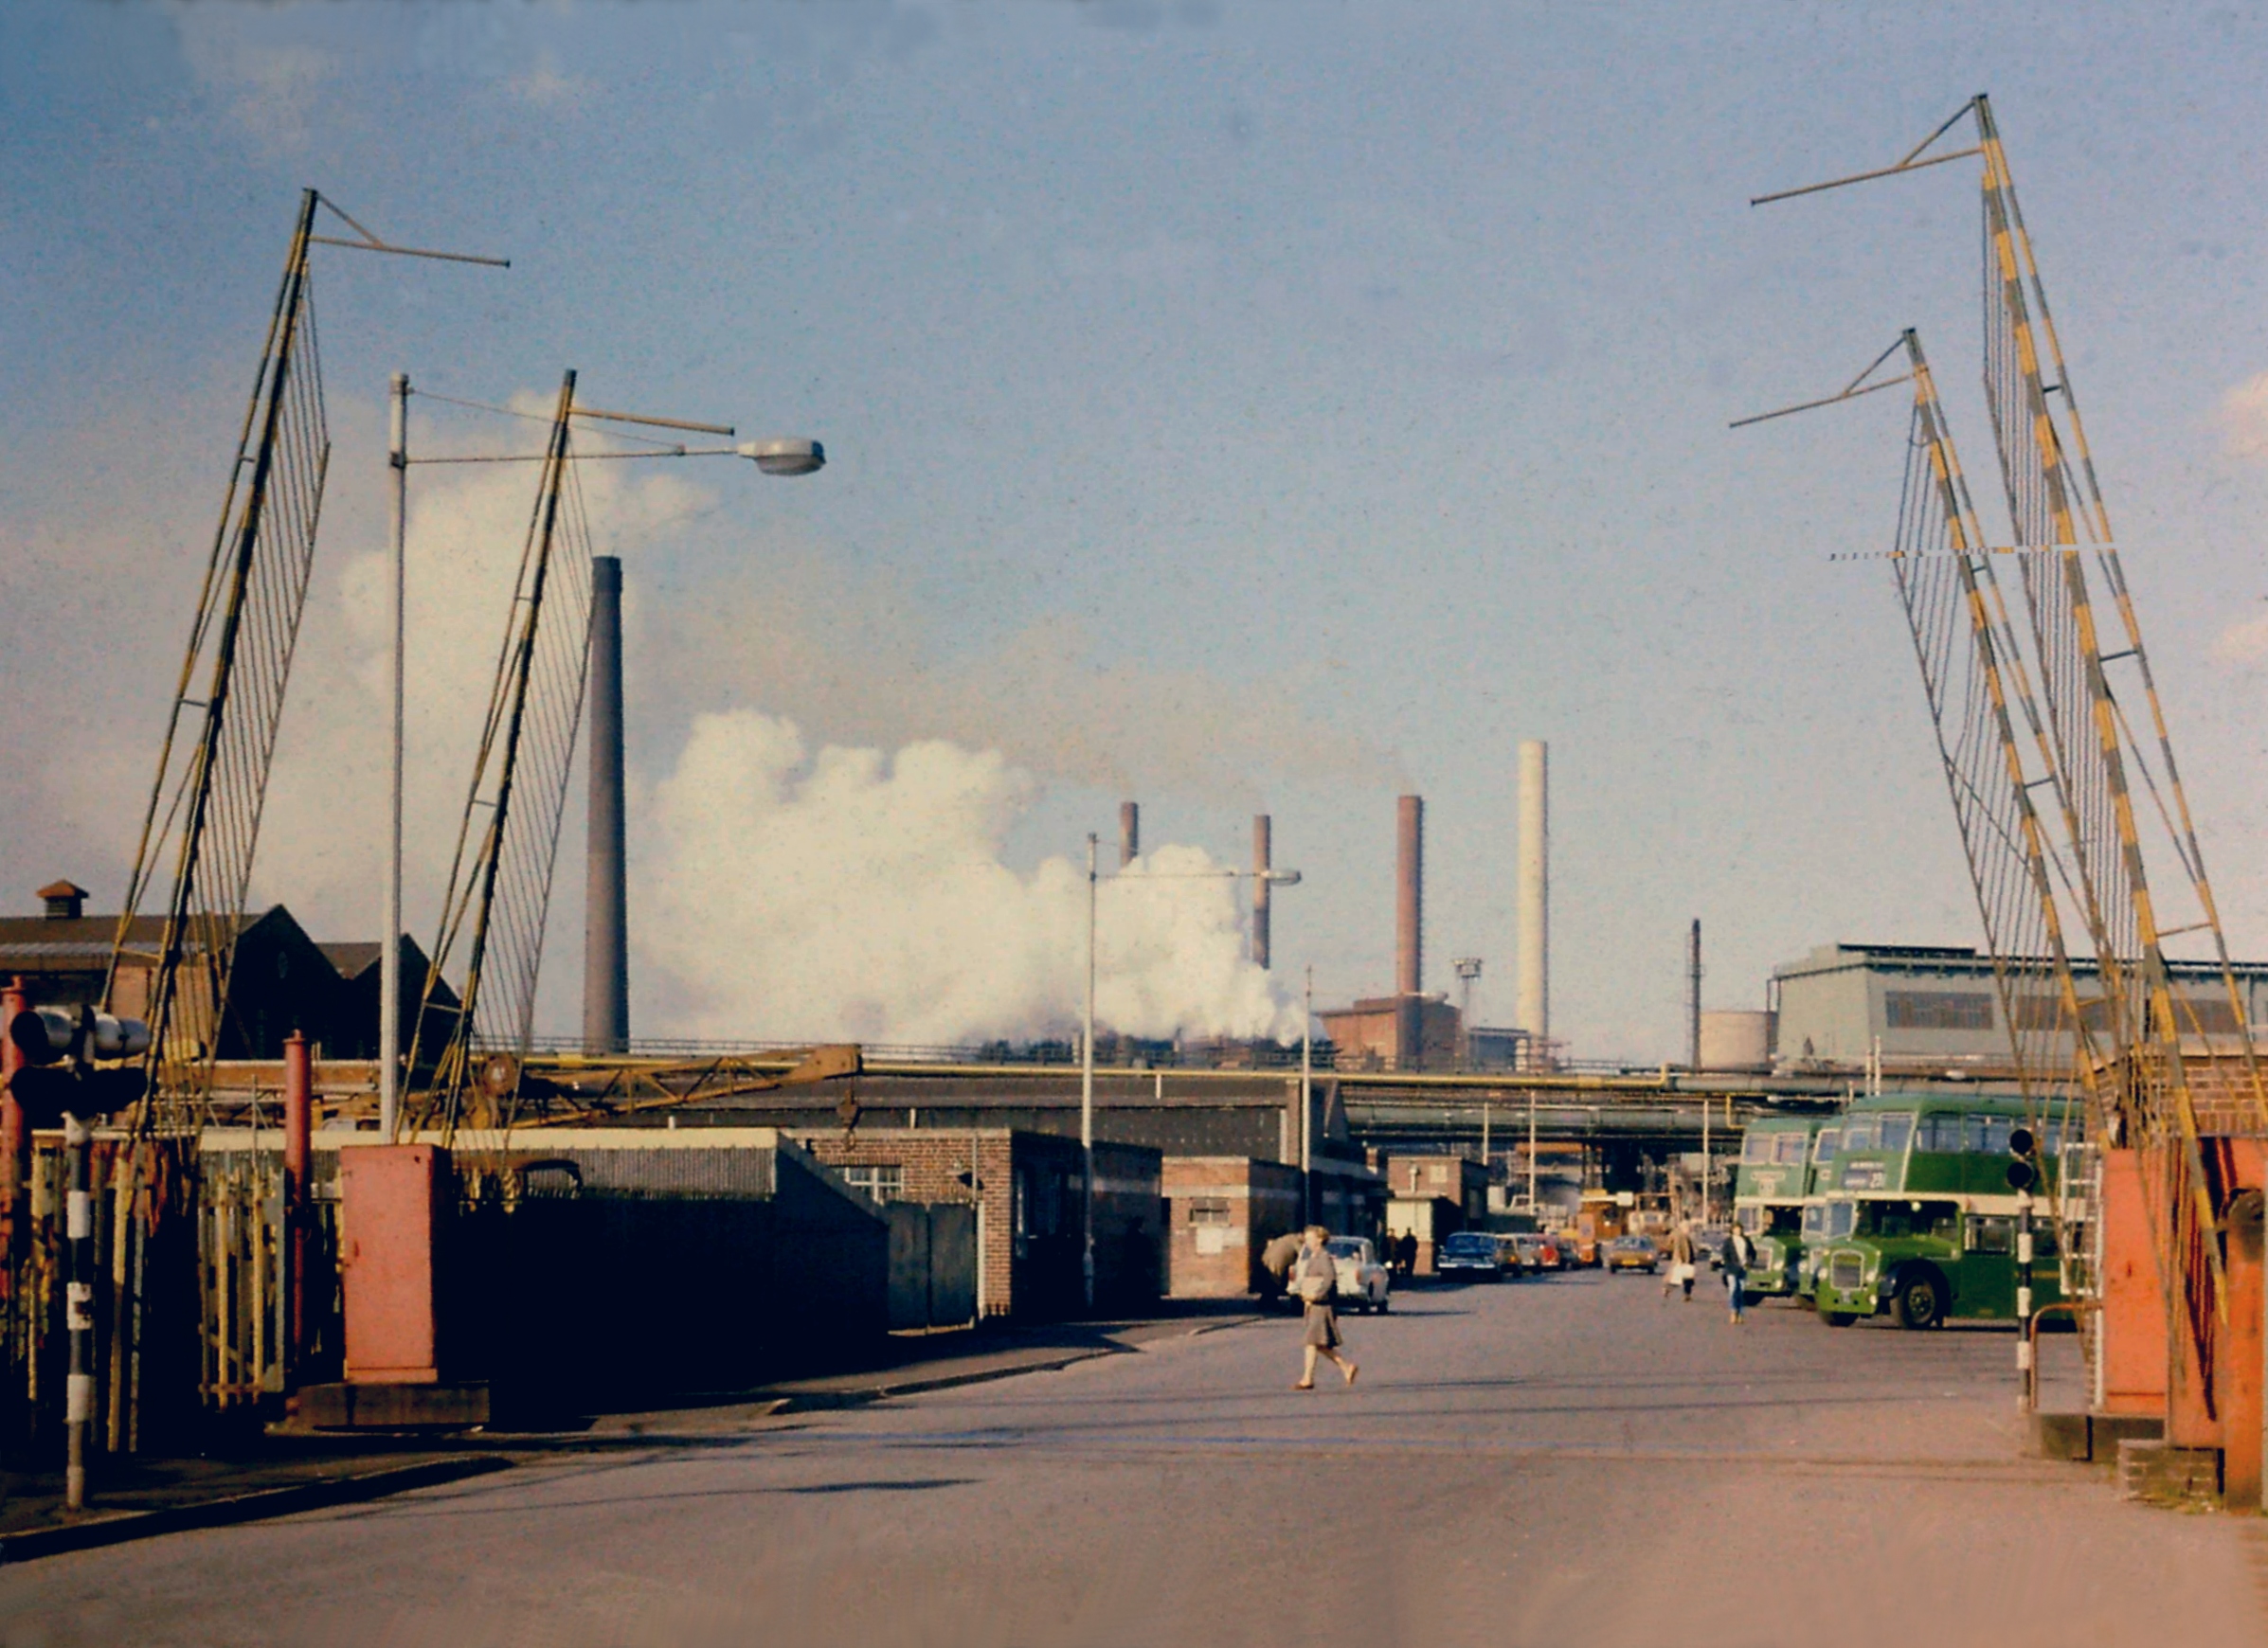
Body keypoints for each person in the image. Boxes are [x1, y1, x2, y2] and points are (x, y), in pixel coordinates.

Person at [1290, 1226, 1359, 1390]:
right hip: (1313, 1304)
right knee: (1319, 1343)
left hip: (1322, 1305)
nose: (1306, 1241)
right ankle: (1346, 1367)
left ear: (1320, 1239)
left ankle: (1308, 1379)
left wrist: (1317, 1295)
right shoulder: (1313, 1257)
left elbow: (1329, 1279)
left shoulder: (1323, 1257)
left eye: (1310, 1237)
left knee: (1312, 1342)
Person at [1721, 1224, 1751, 1325]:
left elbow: (1752, 1253)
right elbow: (1725, 1255)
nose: (1738, 1231)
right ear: (1732, 1230)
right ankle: (1733, 1312)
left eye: (1739, 1229)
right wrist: (1730, 1265)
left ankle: (1741, 1313)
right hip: (1731, 1270)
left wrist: (1749, 1262)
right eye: (1736, 1229)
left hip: (1743, 1269)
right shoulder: (1728, 1241)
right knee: (1733, 1290)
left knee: (1741, 1291)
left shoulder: (1746, 1240)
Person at [1663, 1220, 1697, 1302]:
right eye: (1689, 1228)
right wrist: (1679, 1259)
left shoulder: (1684, 1235)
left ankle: (1687, 1295)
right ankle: (1667, 1289)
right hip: (1682, 1260)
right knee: (1678, 1278)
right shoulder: (1679, 1235)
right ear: (1684, 1227)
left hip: (1688, 1260)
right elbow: (1678, 1247)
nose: (1690, 1229)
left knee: (1688, 1279)